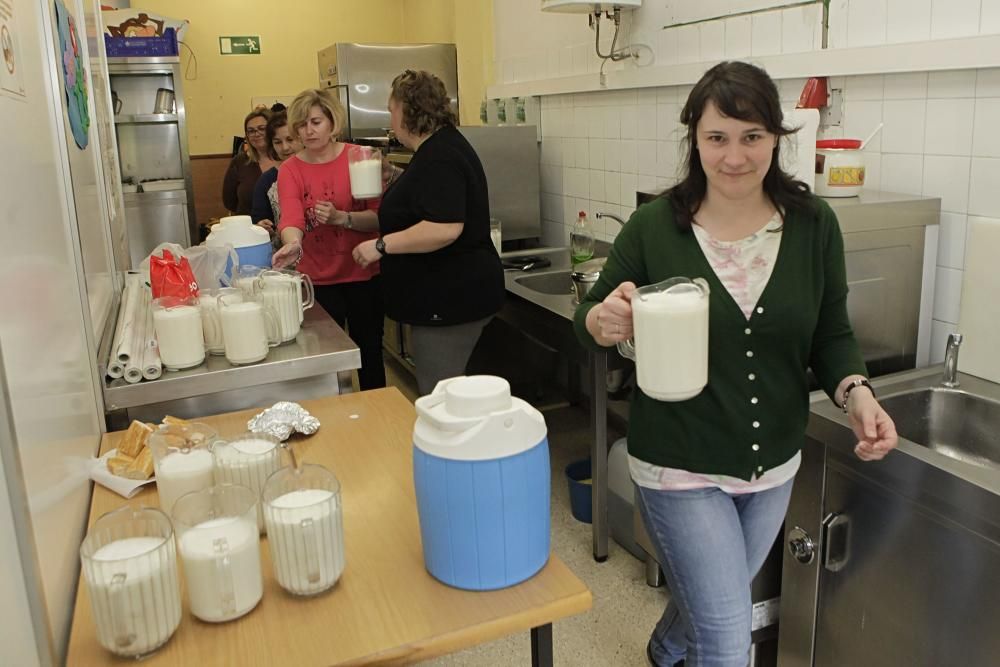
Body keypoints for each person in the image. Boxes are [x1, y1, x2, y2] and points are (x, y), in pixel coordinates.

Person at [573, 61, 898, 667]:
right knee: (726, 638)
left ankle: (666, 645)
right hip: (679, 461)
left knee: (708, 604)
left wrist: (857, 394)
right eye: (717, 138)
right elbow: (592, 314)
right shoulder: (654, 227)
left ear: (777, 137)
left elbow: (832, 332)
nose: (734, 157)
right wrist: (604, 320)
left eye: (752, 137)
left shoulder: (812, 225)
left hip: (772, 463)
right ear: (694, 139)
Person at [351, 70, 504, 395]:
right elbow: (428, 200)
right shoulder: (438, 149)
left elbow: (444, 228)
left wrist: (380, 246)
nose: (390, 119)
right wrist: (396, 174)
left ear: (408, 110)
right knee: (450, 395)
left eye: (391, 110)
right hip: (448, 296)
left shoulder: (440, 157)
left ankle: (451, 447)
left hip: (450, 301)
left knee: (441, 399)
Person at [271, 89, 385, 390]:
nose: (307, 131)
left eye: (315, 122)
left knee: (370, 353)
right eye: (301, 125)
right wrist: (292, 243)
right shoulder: (290, 170)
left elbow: (378, 217)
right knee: (326, 363)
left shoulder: (360, 158)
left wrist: (341, 218)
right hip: (318, 281)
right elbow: (292, 217)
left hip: (362, 274)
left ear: (333, 123)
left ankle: (380, 420)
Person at [250, 111, 302, 236]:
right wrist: (261, 226)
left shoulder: (318, 171)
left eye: (290, 139)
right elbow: (258, 220)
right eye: (277, 142)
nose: (285, 147)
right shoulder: (267, 180)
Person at [223, 109, 278, 216]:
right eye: (251, 131)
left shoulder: (286, 160)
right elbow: (229, 202)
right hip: (250, 227)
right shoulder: (240, 162)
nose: (256, 134)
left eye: (262, 129)